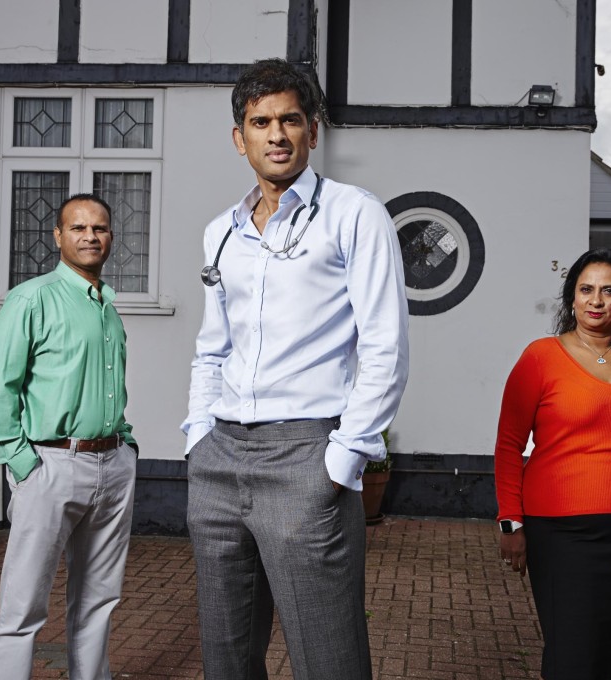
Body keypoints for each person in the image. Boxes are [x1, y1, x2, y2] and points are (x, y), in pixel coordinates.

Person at [181, 58, 409, 680]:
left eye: (290, 120)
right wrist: (199, 437)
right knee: (226, 657)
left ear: (313, 129)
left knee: (327, 658)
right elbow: (211, 347)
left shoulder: (354, 214)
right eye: (260, 122)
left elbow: (385, 345)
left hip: (307, 454)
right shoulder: (220, 234)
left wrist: (342, 459)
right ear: (240, 138)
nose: (276, 134)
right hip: (219, 458)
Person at [0, 193, 139, 680]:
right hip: (50, 465)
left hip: (112, 467)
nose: (91, 236)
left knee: (99, 600)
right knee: (23, 606)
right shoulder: (33, 297)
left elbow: (108, 385)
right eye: (79, 227)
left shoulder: (107, 305)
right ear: (58, 237)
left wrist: (125, 442)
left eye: (100, 228)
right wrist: (20, 463)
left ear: (111, 237)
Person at [494, 248, 611, 679]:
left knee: (610, 655)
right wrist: (510, 523)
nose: (596, 301)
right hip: (559, 532)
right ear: (571, 298)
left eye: (608, 291)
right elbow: (509, 445)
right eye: (586, 290)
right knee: (571, 655)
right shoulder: (541, 357)